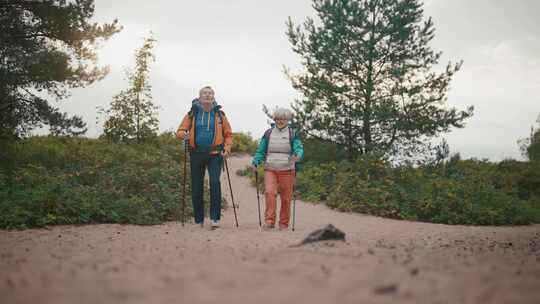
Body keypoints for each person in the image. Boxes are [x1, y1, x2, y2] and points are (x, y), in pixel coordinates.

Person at [176, 86, 233, 229]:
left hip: (215, 155)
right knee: (196, 187)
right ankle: (198, 220)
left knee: (215, 183)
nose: (208, 95)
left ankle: (215, 219)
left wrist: (226, 149)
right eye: (205, 94)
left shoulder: (220, 115)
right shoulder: (192, 113)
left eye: (210, 93)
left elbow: (228, 135)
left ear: (213, 97)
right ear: (200, 97)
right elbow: (180, 131)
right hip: (196, 154)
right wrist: (184, 134)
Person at [251, 108, 304, 230]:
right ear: (274, 120)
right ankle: (269, 221)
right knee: (270, 193)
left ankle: (283, 223)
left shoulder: (292, 134)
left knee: (286, 198)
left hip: (287, 170)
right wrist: (256, 162)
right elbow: (261, 150)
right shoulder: (268, 133)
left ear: (288, 120)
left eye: (283, 119)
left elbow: (299, 148)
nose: (280, 121)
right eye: (278, 119)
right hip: (270, 169)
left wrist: (298, 155)